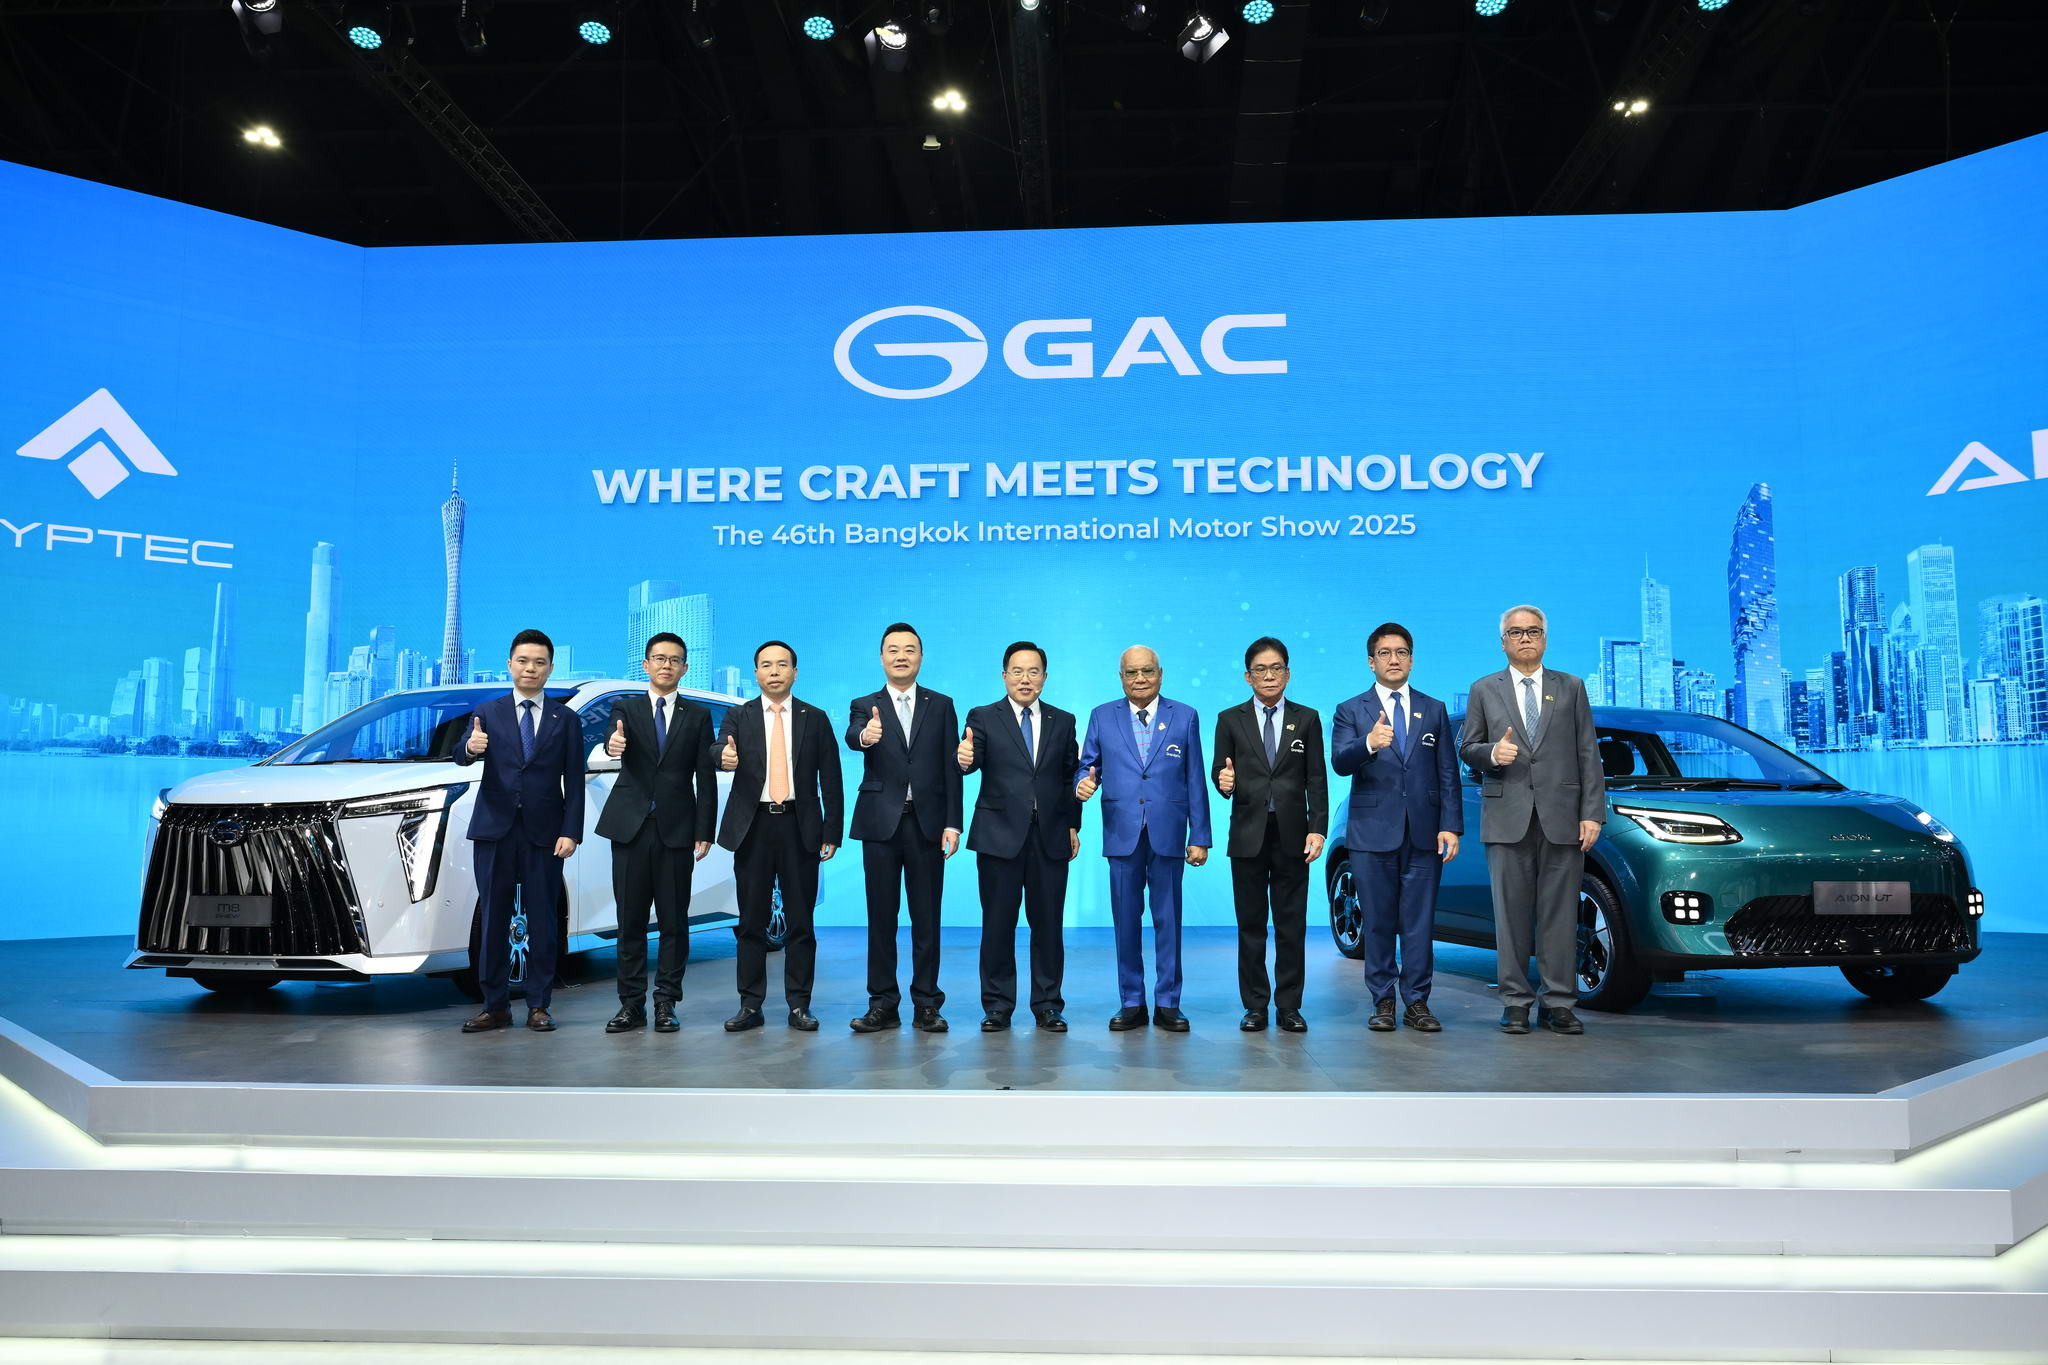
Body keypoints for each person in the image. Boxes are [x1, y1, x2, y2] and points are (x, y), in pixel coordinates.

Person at [1458, 605, 1605, 1036]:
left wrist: (1592, 813)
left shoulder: (1571, 687)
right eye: (1516, 632)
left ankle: (1558, 1003)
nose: (1525, 638)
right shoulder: (1484, 689)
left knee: (1560, 917)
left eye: (1533, 631)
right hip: (1507, 818)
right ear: (1502, 641)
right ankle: (1516, 1002)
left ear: (1545, 638)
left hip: (1563, 818)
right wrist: (1492, 754)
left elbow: (1588, 753)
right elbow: (1468, 749)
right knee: (1511, 917)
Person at [1330, 623, 1462, 1034]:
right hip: (1371, 832)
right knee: (1378, 921)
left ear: (1412, 660)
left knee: (1420, 922)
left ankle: (1417, 1001)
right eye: (1385, 653)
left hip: (1424, 832)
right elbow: (1340, 762)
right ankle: (1383, 1000)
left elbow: (1447, 772)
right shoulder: (1351, 710)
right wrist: (1369, 743)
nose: (1394, 659)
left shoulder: (1433, 709)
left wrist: (1451, 825)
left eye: (1401, 652)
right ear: (1371, 662)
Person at [452, 628, 584, 1034]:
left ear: (550, 668)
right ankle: (494, 1006)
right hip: (495, 830)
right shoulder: (487, 712)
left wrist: (571, 831)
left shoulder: (566, 719)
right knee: (493, 919)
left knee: (544, 920)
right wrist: (470, 749)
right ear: (509, 664)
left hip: (546, 833)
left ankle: (539, 1005)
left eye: (539, 662)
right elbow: (460, 754)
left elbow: (575, 780)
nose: (531, 668)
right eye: (523, 661)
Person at [1075, 646, 1211, 1032]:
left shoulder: (1185, 716)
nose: (1140, 679)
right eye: (1131, 672)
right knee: (1125, 922)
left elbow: (1195, 778)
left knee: (1169, 921)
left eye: (1147, 671)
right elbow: (1087, 765)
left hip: (1168, 833)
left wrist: (1200, 835)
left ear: (1160, 674)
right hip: (1122, 833)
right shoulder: (1102, 715)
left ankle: (1168, 1002)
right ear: (1121, 677)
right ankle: (1131, 1001)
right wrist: (1082, 782)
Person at [715, 640, 843, 1031]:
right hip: (752, 826)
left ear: (795, 672)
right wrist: (723, 756)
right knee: (751, 921)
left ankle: (799, 1004)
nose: (774, 671)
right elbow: (718, 749)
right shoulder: (739, 715)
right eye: (767, 665)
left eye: (782, 664)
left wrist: (832, 830)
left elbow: (831, 777)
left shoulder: (814, 718)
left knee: (800, 922)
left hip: (799, 826)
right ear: (756, 673)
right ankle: (750, 1005)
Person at [594, 632, 716, 1034]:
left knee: (673, 922)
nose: (666, 665)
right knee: (629, 922)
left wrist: (705, 829)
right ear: (646, 665)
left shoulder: (697, 716)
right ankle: (631, 1005)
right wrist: (613, 744)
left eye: (674, 660)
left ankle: (666, 1002)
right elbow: (613, 740)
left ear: (685, 668)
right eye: (659, 658)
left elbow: (705, 776)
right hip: (630, 828)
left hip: (677, 830)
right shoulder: (624, 708)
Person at [958, 641, 1082, 1033]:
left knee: (1049, 926)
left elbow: (1070, 776)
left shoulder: (1064, 721)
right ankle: (997, 1005)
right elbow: (971, 759)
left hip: (1050, 837)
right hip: (998, 837)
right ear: (1004, 676)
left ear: (1044, 677)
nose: (1025, 679)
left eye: (1033, 671)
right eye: (1017, 671)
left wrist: (1073, 824)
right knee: (998, 924)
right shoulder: (982, 716)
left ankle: (1048, 1005)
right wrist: (964, 759)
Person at [844, 623, 962, 1033]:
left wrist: (953, 823)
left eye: (909, 649)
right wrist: (867, 735)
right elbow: (853, 736)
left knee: (927, 918)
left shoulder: (941, 705)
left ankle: (927, 1003)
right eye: (893, 649)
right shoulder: (865, 704)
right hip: (880, 824)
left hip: (927, 824)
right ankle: (882, 1004)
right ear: (882, 657)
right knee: (881, 918)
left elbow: (952, 767)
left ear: (920, 657)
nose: (901, 656)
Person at [1211, 637, 1327, 1033]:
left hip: (1293, 835)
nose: (1269, 675)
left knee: (1291, 925)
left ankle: (1289, 1006)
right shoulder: (1230, 719)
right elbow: (1220, 771)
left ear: (1287, 674)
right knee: (1251, 925)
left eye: (1276, 668)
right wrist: (1223, 781)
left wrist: (1317, 829)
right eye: (1260, 670)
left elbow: (1316, 779)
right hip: (1248, 834)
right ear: (1248, 677)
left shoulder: (1307, 718)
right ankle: (1255, 1006)